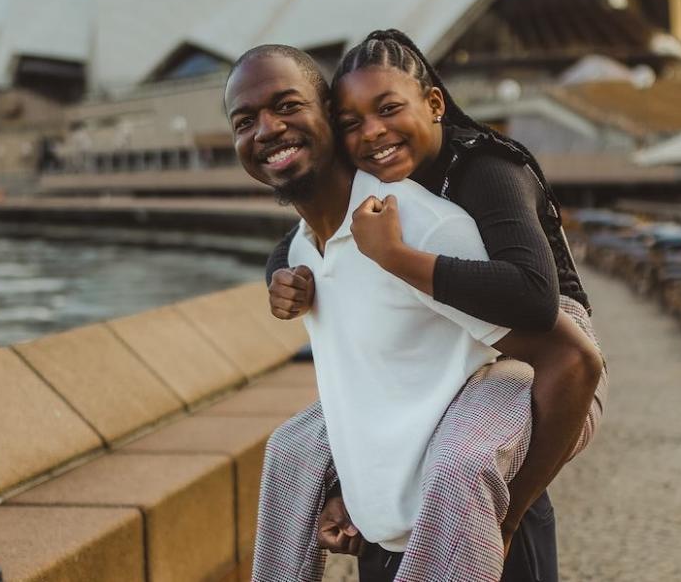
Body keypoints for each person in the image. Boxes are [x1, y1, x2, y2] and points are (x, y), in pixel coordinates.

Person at [228, 43, 602, 582]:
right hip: (382, 541)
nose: (266, 129)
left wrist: (507, 517)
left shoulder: (427, 223)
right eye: (245, 120)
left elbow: (570, 356)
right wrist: (349, 490)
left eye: (287, 107)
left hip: (471, 532)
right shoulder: (301, 252)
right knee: (292, 444)